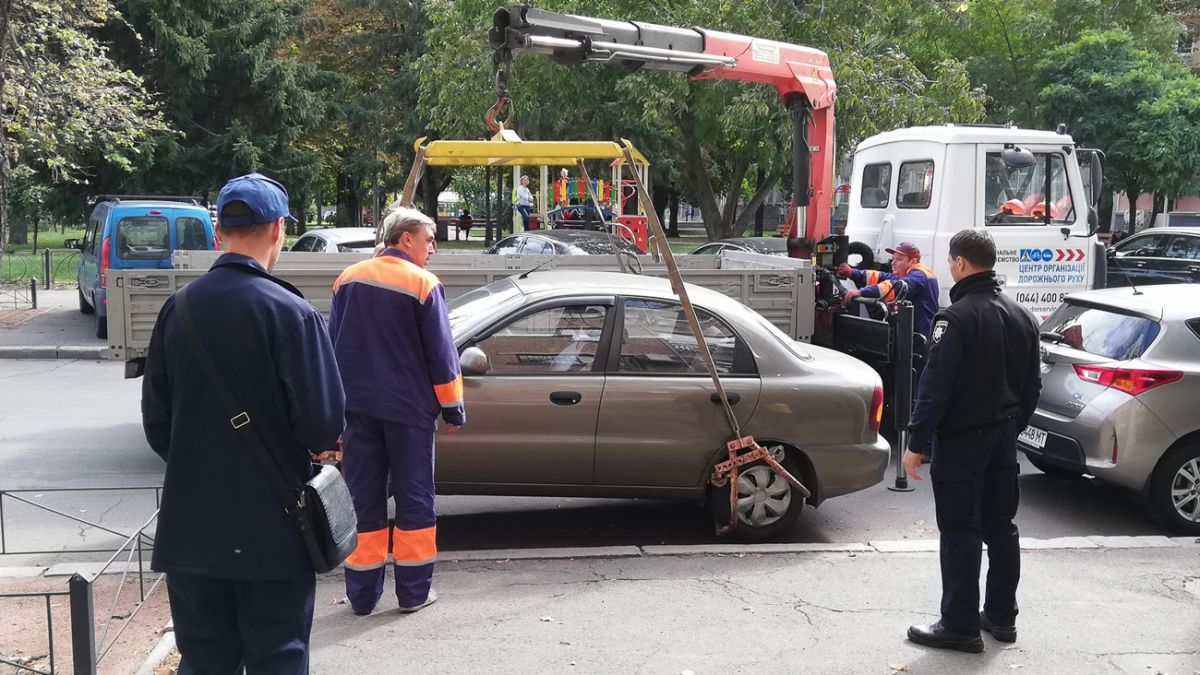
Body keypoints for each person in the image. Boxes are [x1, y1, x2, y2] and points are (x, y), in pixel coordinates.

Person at [142, 173, 345, 674]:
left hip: (190, 528)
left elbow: (156, 423)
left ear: (219, 233)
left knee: (205, 659)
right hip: (273, 532)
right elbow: (323, 426)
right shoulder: (292, 312)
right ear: (278, 229)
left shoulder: (178, 309)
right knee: (278, 657)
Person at [902, 229, 1041, 654]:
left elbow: (935, 387)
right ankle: (1001, 617)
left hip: (964, 441)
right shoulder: (1022, 316)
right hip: (1002, 437)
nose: (949, 268)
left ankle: (959, 624)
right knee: (1002, 528)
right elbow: (1031, 386)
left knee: (961, 529)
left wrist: (916, 442)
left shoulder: (955, 318)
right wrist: (1010, 429)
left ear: (960, 262)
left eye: (950, 261)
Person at [328, 206, 465, 616]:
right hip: (408, 413)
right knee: (414, 501)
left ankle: (362, 597)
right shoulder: (424, 284)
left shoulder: (347, 279)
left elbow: (332, 351)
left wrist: (333, 413)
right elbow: (441, 356)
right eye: (429, 239)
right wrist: (453, 409)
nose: (433, 248)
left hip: (358, 411)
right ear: (405, 238)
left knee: (362, 500)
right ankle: (414, 594)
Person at [839, 242, 940, 453]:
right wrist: (852, 272)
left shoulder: (920, 276)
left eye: (899, 259)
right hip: (912, 341)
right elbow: (882, 277)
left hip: (919, 344)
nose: (894, 263)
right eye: (893, 258)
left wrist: (859, 292)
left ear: (913, 260)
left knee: (918, 396)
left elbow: (893, 288)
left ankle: (926, 449)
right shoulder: (911, 272)